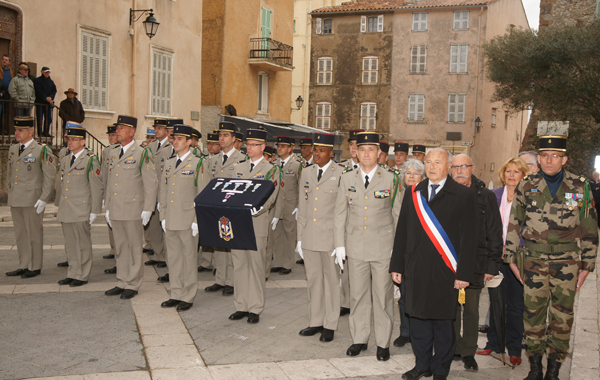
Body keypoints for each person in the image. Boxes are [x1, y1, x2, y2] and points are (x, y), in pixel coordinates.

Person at [505, 136, 598, 380]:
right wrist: (511, 259)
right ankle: (535, 369)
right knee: (532, 315)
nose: (549, 160)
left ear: (564, 159)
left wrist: (587, 265)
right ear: (539, 159)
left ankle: (554, 370)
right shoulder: (527, 184)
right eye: (544, 155)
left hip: (567, 262)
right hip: (534, 261)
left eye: (554, 156)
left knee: (562, 317)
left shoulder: (580, 186)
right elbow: (515, 223)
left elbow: (589, 227)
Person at [391, 148, 478, 380]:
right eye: (428, 162)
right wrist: (397, 265)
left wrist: (464, 273)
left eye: (437, 162)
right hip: (416, 269)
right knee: (418, 321)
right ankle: (422, 364)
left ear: (448, 166)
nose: (431, 166)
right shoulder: (413, 193)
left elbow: (469, 239)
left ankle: (440, 369)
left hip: (446, 272)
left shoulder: (463, 195)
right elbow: (402, 232)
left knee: (442, 324)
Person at [334, 131, 401, 361]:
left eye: (371, 149)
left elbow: (397, 214)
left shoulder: (391, 178)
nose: (366, 153)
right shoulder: (347, 177)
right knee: (358, 296)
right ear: (356, 152)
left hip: (383, 247)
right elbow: (340, 213)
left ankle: (383, 343)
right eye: (362, 149)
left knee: (382, 297)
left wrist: (397, 248)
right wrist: (339, 245)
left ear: (379, 153)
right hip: (355, 247)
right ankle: (359, 339)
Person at [450, 154, 503, 371]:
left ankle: (469, 351)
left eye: (464, 166)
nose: (459, 171)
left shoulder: (486, 196)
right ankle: (453, 347)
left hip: (475, 262)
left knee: (471, 309)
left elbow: (494, 230)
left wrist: (492, 265)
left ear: (472, 168)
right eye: (455, 167)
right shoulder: (444, 193)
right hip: (449, 261)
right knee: (451, 309)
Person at [477, 157, 530, 366]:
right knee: (496, 302)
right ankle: (494, 344)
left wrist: (512, 249)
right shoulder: (493, 195)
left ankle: (515, 348)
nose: (511, 175)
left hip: (518, 259)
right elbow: (486, 226)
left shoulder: (528, 198)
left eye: (516, 172)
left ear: (523, 176)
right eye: (508, 171)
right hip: (496, 258)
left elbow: (530, 229)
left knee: (516, 305)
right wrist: (494, 250)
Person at [104, 115, 158, 300]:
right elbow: (111, 181)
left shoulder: (141, 153)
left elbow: (151, 183)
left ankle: (133, 283)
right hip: (117, 208)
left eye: (121, 128)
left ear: (131, 131)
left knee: (134, 247)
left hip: (133, 208)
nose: (117, 131)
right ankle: (122, 281)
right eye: (117, 128)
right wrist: (108, 205)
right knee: (120, 247)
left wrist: (148, 208)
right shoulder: (112, 152)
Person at [228, 128, 279, 324]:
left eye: (254, 145)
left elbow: (270, 197)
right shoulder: (238, 167)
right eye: (248, 145)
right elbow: (230, 190)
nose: (249, 148)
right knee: (239, 264)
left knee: (256, 266)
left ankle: (255, 307)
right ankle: (241, 305)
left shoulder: (271, 169)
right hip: (238, 222)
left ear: (263, 147)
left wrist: (254, 209)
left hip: (256, 222)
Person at [297, 133, 343, 342]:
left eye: (321, 150)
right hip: (309, 237)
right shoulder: (306, 173)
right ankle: (315, 321)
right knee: (314, 281)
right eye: (315, 150)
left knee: (332, 282)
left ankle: (330, 324)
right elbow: (302, 206)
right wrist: (299, 238)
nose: (316, 153)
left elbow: (343, 211)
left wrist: (340, 243)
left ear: (331, 153)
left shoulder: (341, 173)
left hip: (330, 239)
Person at [159, 124, 210, 311]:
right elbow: (163, 191)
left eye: (180, 139)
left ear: (190, 141)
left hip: (188, 220)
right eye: (174, 138)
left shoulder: (198, 164)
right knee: (173, 259)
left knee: (189, 259)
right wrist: (163, 215)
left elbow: (202, 194)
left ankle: (188, 296)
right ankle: (176, 293)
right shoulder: (169, 163)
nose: (175, 141)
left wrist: (198, 221)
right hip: (171, 219)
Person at [5, 116, 56, 278]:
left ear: (31, 131)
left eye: (20, 130)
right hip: (16, 198)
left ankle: (34, 266)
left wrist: (44, 198)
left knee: (33, 233)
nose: (16, 133)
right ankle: (23, 264)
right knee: (20, 233)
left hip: (33, 199)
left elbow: (49, 175)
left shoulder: (41, 149)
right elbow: (10, 173)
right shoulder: (13, 149)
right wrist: (10, 190)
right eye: (16, 130)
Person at [55, 126, 102, 287]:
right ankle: (73, 271)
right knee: (70, 243)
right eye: (69, 139)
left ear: (83, 141)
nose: (70, 142)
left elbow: (96, 186)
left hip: (81, 208)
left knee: (82, 243)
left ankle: (82, 274)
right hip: (67, 207)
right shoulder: (66, 159)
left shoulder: (90, 159)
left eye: (74, 140)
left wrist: (95, 209)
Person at [205, 121, 241, 295]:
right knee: (218, 246)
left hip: (233, 208)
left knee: (232, 245)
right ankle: (220, 279)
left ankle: (232, 281)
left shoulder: (242, 159)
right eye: (220, 135)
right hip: (216, 208)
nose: (221, 138)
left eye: (226, 135)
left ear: (234, 139)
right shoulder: (213, 160)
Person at [392, 158, 425, 348]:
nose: (411, 177)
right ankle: (405, 332)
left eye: (416, 173)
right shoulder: (397, 195)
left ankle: (419, 331)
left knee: (419, 295)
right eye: (408, 173)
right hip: (401, 251)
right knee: (403, 296)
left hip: (420, 253)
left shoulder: (426, 196)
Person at [338, 128, 364, 316]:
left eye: (357, 145)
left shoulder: (374, 170)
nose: (354, 148)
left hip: (364, 226)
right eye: (352, 145)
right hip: (346, 226)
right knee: (345, 268)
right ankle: (346, 302)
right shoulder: (340, 169)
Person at [271, 136, 303, 275]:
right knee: (276, 234)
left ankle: (287, 263)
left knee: (289, 235)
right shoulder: (274, 164)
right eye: (278, 146)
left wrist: (299, 206)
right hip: (277, 206)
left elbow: (301, 186)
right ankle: (278, 262)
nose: (280, 148)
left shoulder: (296, 165)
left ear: (290, 148)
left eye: (283, 146)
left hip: (291, 205)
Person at [144, 119, 171, 271]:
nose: (157, 130)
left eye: (160, 128)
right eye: (156, 128)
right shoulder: (151, 146)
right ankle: (157, 253)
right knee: (153, 226)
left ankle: (166, 257)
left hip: (164, 191)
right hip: (152, 190)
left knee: (165, 227)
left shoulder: (171, 146)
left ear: (167, 131)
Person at [100, 124, 120, 273]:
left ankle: (119, 257)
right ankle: (113, 250)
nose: (111, 137)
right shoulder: (106, 151)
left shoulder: (120, 151)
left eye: (113, 135)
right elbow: (104, 173)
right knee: (110, 224)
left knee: (119, 229)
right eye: (110, 135)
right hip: (109, 192)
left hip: (120, 195)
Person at [34, 67, 57, 137]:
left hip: (47, 104)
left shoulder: (51, 82)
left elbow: (54, 90)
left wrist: (51, 98)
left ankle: (46, 132)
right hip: (40, 103)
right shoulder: (37, 80)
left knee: (48, 119)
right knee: (39, 119)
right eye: (45, 72)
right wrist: (45, 98)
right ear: (42, 72)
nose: (47, 73)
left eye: (48, 72)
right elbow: (38, 91)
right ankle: (40, 133)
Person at [0, 54, 13, 130]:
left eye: (6, 60)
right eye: (3, 59)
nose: (4, 61)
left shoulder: (11, 71)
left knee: (4, 112)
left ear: (9, 62)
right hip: (1, 93)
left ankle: (3, 129)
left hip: (7, 94)